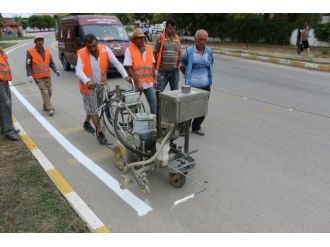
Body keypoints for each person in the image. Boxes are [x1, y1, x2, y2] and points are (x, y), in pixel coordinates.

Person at [75, 34, 130, 144]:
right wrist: (87, 81)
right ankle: (99, 132)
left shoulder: (105, 50)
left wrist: (125, 75)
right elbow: (78, 70)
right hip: (88, 87)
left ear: (97, 42)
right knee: (94, 109)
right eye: (89, 47)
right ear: (85, 46)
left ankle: (86, 122)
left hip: (101, 85)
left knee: (96, 107)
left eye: (94, 46)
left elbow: (116, 63)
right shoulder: (82, 53)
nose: (92, 49)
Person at [180, 29, 214, 136]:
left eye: (204, 39)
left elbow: (210, 64)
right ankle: (184, 128)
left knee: (202, 108)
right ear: (195, 39)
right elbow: (182, 65)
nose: (202, 41)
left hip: (205, 85)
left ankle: (196, 127)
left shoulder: (209, 51)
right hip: (192, 86)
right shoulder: (189, 51)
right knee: (188, 108)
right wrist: (188, 76)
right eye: (200, 39)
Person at [124, 28, 157, 114]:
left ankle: (154, 124)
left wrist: (155, 78)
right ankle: (132, 125)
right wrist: (137, 82)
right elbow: (128, 67)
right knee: (134, 106)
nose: (142, 40)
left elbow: (152, 65)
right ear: (134, 40)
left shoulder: (149, 49)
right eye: (139, 38)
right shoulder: (129, 50)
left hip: (149, 82)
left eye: (143, 37)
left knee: (154, 104)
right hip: (137, 83)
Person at [26, 36, 60, 116]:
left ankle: (45, 106)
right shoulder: (30, 52)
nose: (40, 42)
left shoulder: (47, 51)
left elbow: (51, 63)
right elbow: (28, 64)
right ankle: (49, 108)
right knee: (45, 92)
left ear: (43, 42)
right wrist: (29, 75)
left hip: (47, 75)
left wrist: (56, 70)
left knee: (50, 92)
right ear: (35, 42)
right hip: (38, 77)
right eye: (38, 41)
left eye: (41, 40)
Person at [154, 19, 181, 92]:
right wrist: (155, 67)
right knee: (158, 92)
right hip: (163, 71)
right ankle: (158, 104)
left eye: (174, 28)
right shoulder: (161, 38)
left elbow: (178, 53)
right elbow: (154, 52)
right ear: (166, 28)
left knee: (175, 93)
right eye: (170, 28)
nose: (172, 30)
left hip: (174, 71)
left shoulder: (177, 38)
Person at [0, 47, 18, 140]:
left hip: (4, 80)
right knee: (5, 105)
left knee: (6, 104)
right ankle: (9, 131)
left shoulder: (1, 49)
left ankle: (4, 128)